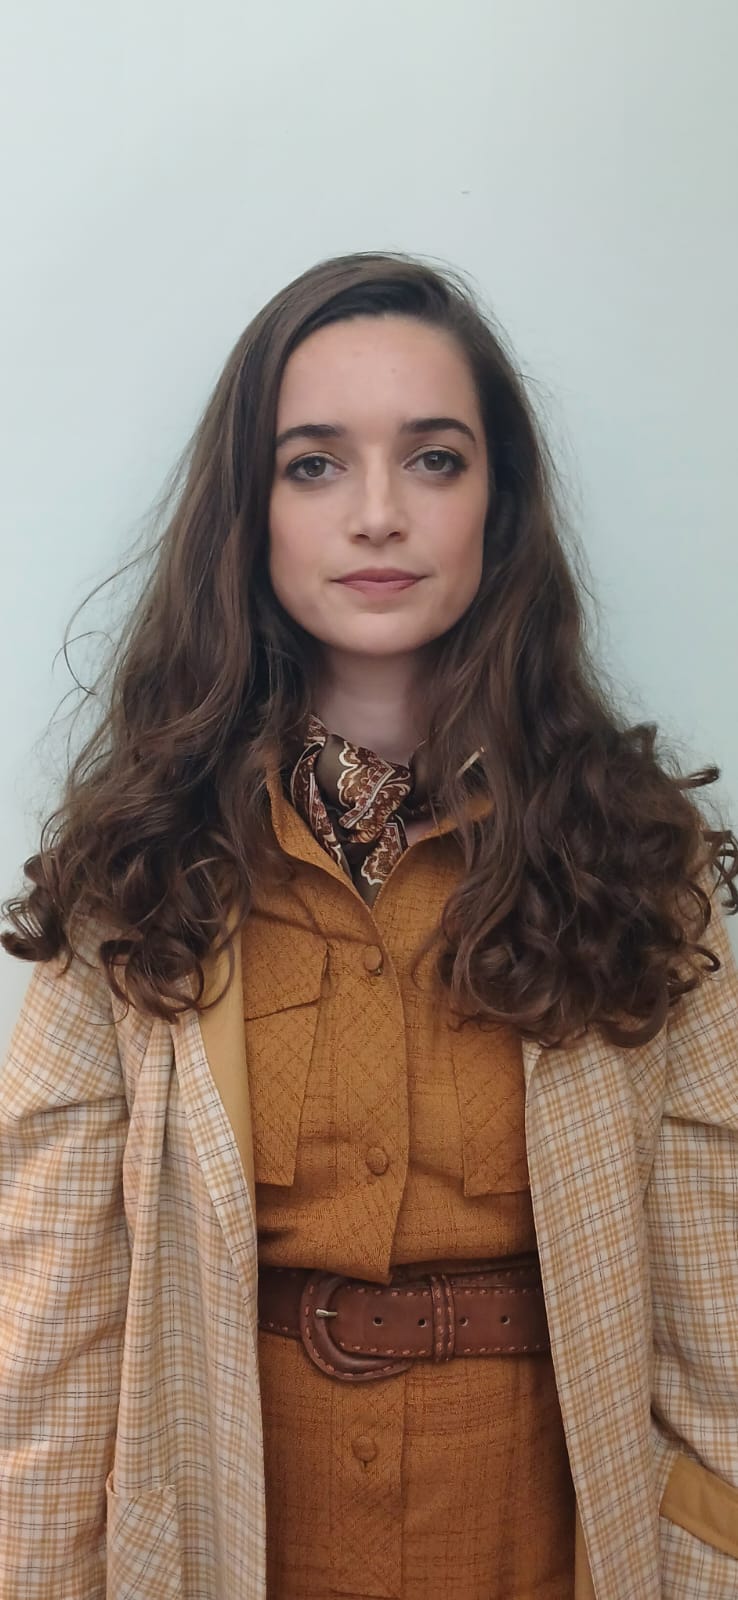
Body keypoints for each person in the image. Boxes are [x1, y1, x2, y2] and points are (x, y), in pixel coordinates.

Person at [1, 249, 737, 1600]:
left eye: (435, 460)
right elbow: (48, 1324)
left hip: (547, 1546)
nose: (380, 514)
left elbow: (716, 1298)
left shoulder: (638, 863)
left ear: (501, 506)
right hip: (233, 1542)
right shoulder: (138, 875)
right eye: (315, 464)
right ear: (249, 511)